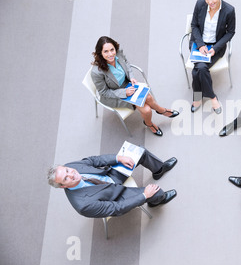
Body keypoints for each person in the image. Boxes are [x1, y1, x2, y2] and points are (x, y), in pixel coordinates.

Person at [47, 149, 178, 218]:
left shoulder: (70, 166)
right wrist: (144, 195)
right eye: (66, 178)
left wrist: (118, 158)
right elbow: (117, 208)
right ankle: (155, 202)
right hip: (116, 197)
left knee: (140, 152)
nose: (72, 174)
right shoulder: (83, 205)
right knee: (157, 193)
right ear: (63, 186)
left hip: (110, 175)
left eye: (67, 170)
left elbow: (94, 160)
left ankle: (158, 170)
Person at [91, 36, 179, 136]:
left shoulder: (119, 53)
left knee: (148, 97)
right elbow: (104, 92)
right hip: (115, 94)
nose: (110, 54)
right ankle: (151, 121)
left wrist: (131, 77)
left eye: (112, 49)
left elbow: (127, 64)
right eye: (106, 51)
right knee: (146, 110)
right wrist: (124, 92)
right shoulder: (96, 72)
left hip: (127, 84)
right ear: (100, 53)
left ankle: (160, 110)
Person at [189, 0, 236, 114]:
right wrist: (200, 44)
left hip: (216, 46)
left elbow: (231, 32)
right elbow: (194, 26)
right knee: (201, 68)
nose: (210, 2)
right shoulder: (199, 4)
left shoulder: (229, 10)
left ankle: (198, 98)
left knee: (198, 69)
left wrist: (215, 47)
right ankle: (212, 97)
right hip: (199, 44)